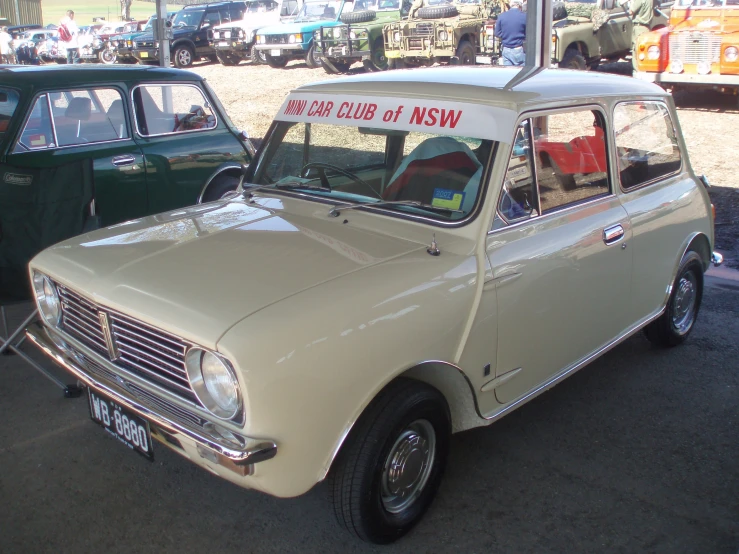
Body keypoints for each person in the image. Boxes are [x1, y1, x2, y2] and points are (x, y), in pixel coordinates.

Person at [494, 0, 526, 66]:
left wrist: (505, 35)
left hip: (506, 50)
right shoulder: (525, 17)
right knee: (521, 74)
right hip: (519, 49)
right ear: (520, 6)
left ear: (510, 5)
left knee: (508, 74)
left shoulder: (501, 16)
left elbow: (497, 33)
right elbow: (529, 33)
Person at [624, 0, 654, 69]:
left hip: (639, 27)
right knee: (646, 51)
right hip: (647, 27)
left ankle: (637, 71)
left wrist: (631, 2)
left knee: (636, 51)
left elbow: (631, 11)